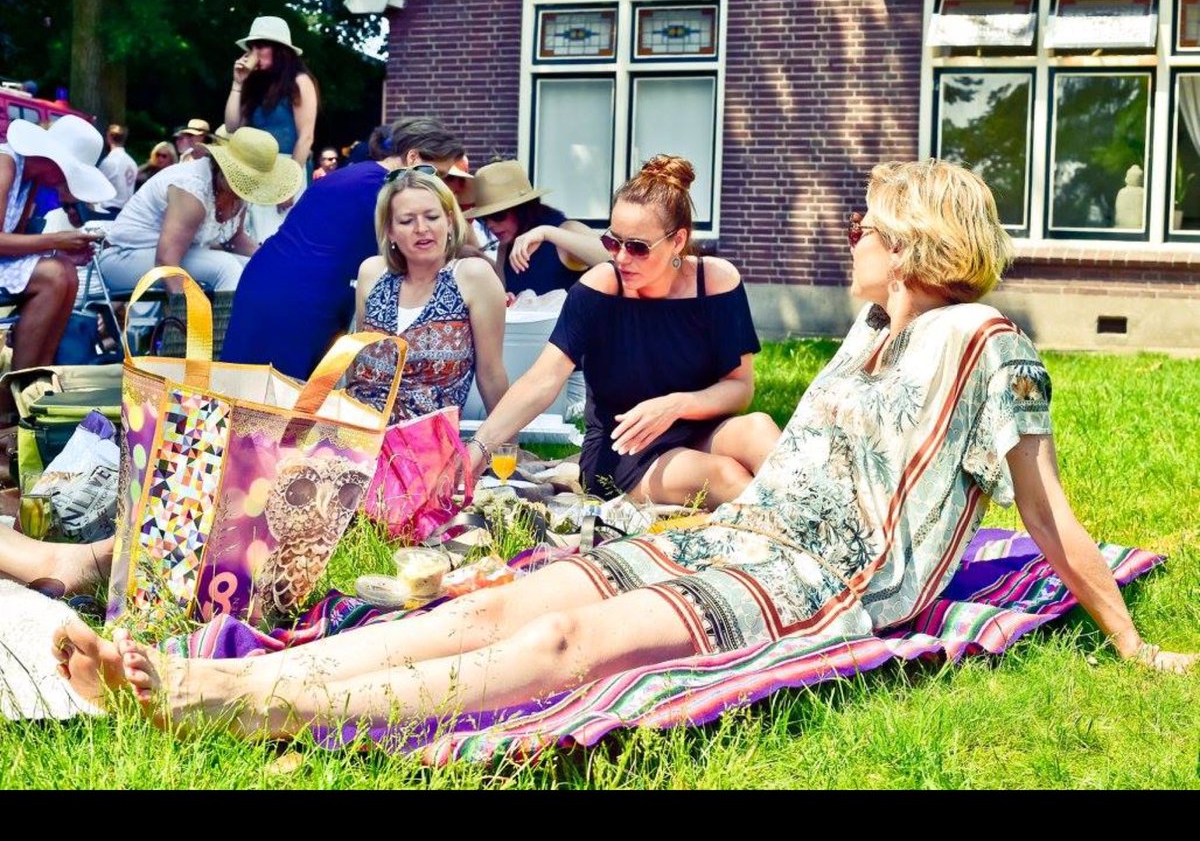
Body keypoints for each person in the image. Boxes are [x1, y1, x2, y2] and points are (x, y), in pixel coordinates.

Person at [52, 159, 1198, 737]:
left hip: (812, 582)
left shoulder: (989, 344)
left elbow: (1044, 514)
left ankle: (239, 704)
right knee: (493, 603)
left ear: (913, 246)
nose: (848, 238)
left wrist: (1133, 647)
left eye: (864, 226)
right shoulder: (869, 328)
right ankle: (233, 675)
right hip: (734, 537)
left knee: (565, 637)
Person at [471, 156, 773, 506]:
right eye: (613, 242)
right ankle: (803, 545)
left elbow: (740, 387)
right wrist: (479, 448)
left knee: (759, 429)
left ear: (678, 241)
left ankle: (830, 532)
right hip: (624, 446)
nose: (621, 258)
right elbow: (541, 380)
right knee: (727, 477)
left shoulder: (715, 281)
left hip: (698, 426)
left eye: (637, 247)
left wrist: (676, 405)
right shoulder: (599, 289)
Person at [220, 117, 465, 381]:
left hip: (266, 280)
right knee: (277, 403)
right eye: (436, 174)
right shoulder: (386, 191)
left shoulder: (354, 173)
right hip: (300, 301)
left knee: (242, 392)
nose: (438, 184)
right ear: (413, 157)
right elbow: (427, 256)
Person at [344, 167, 508, 423]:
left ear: (450, 221)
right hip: (356, 439)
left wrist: (506, 450)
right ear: (390, 231)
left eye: (432, 217)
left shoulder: (473, 277)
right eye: (407, 221)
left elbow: (491, 374)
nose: (421, 228)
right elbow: (355, 363)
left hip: (427, 447)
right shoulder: (372, 272)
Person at [0, 116, 113, 423]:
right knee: (54, 276)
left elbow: (16, 242)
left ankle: (33, 391)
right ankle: (11, 404)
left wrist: (61, 251)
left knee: (65, 271)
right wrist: (56, 240)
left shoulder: (29, 178)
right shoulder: (6, 165)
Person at [95, 127, 302, 294]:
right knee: (225, 267)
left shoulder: (237, 188)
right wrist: (186, 322)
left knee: (258, 270)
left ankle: (254, 338)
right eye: (247, 179)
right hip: (122, 259)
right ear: (225, 168)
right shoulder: (192, 189)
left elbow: (235, 239)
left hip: (169, 257)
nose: (250, 187)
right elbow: (166, 261)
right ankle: (224, 343)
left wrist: (274, 260)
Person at [223, 15, 318, 242]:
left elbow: (306, 137)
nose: (254, 52)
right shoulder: (255, 84)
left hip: (286, 167)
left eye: (261, 45)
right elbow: (232, 126)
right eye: (252, 46)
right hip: (254, 168)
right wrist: (238, 83)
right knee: (252, 237)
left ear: (280, 50)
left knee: (278, 238)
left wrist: (288, 185)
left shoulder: (300, 81)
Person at [464, 160, 606, 297]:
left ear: (522, 210)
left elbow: (614, 259)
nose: (490, 225)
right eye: (483, 218)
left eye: (497, 215)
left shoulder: (566, 230)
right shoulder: (505, 247)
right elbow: (502, 296)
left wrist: (546, 233)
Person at [96, 124, 138, 212]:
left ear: (109, 137)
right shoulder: (132, 163)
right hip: (126, 211)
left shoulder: (110, 161)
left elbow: (96, 185)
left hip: (108, 210)